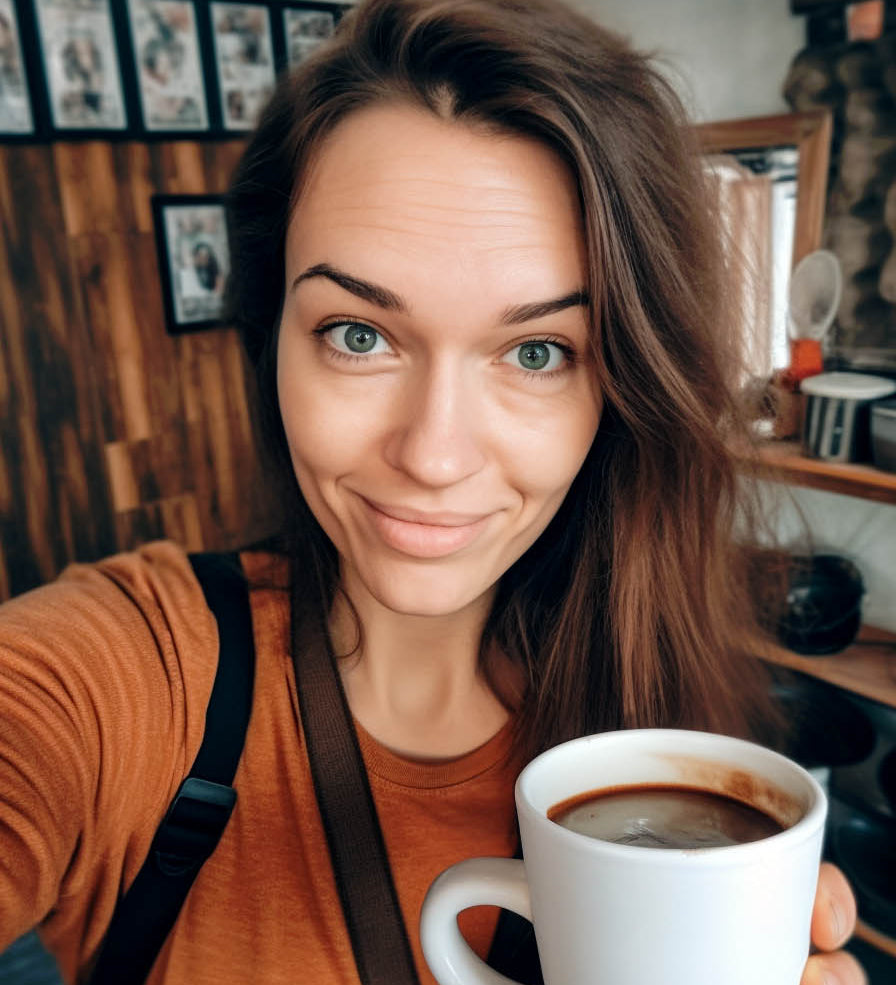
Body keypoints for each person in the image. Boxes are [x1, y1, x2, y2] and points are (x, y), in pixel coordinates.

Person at [0, 1, 865, 984]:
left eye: (536, 351)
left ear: (617, 391)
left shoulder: (667, 719)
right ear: (270, 338)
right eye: (358, 334)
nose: (433, 454)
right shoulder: (131, 675)